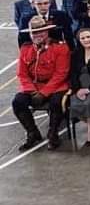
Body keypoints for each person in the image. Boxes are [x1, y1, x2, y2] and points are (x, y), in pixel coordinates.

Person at [13, 16, 71, 150]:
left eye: (40, 32)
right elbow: (22, 74)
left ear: (47, 32)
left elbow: (61, 74)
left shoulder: (60, 48)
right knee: (18, 102)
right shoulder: (25, 49)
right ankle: (32, 132)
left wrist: (44, 93)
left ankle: (53, 133)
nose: (37, 35)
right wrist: (31, 90)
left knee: (56, 102)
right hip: (34, 87)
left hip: (56, 86)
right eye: (34, 33)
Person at [68, 28, 90, 146]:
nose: (86, 40)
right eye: (82, 38)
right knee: (74, 104)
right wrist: (77, 89)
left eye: (88, 37)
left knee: (89, 103)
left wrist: (89, 89)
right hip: (80, 88)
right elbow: (73, 74)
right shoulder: (76, 53)